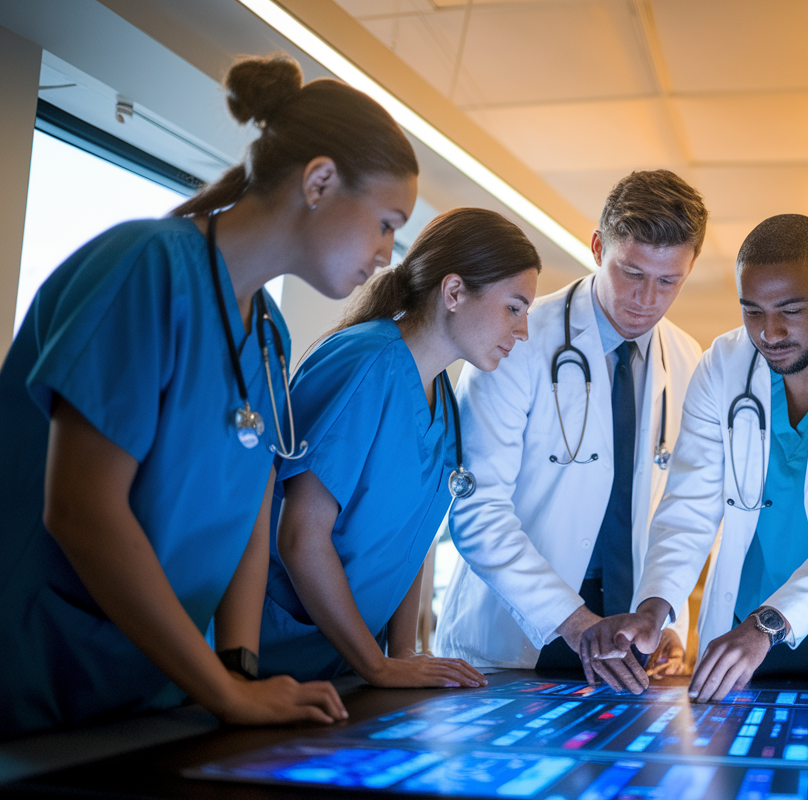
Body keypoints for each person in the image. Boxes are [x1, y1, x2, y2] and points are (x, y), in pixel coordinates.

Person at [0, 53, 418, 733]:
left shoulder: (270, 334)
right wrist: (225, 694)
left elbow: (252, 507)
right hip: (39, 677)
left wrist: (238, 667)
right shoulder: (145, 267)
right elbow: (81, 509)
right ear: (319, 181)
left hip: (147, 691)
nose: (387, 252)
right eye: (386, 222)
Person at [581, 214, 808, 702]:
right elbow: (689, 504)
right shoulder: (722, 367)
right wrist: (655, 605)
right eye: (752, 311)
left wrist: (768, 625)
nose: (770, 333)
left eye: (790, 310)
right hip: (744, 635)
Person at [435, 170, 706, 689]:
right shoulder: (517, 336)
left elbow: (682, 507)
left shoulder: (686, 357)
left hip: (632, 642)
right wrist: (578, 624)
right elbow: (476, 509)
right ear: (598, 246)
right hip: (518, 636)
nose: (646, 299)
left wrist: (663, 612)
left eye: (668, 280)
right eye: (631, 272)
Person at [258, 208, 539, 689]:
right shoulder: (366, 363)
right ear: (453, 292)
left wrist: (403, 652)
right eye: (514, 307)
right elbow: (301, 536)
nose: (522, 331)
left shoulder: (443, 401)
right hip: (272, 655)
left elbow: (414, 542)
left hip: (342, 663)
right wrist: (379, 665)